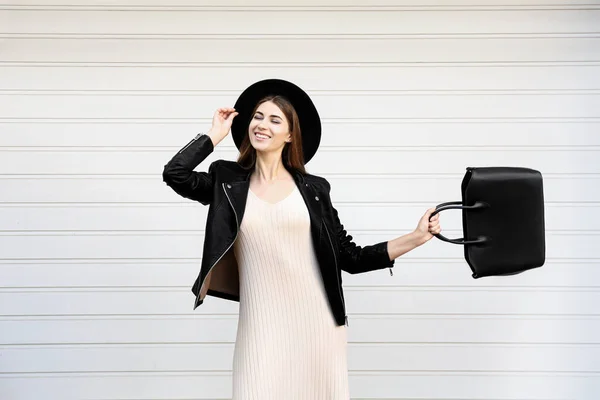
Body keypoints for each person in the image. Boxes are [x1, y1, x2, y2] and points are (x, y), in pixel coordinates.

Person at [162, 79, 441, 399]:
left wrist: (417, 237)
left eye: (274, 119)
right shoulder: (227, 180)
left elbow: (351, 258)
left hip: (319, 325)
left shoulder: (315, 189)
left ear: (290, 134)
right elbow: (176, 174)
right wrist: (215, 134)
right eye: (257, 116)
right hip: (261, 328)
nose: (261, 124)